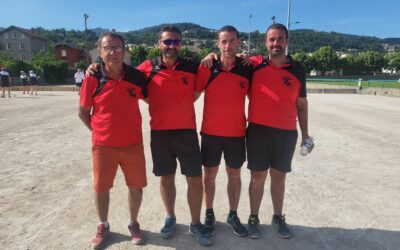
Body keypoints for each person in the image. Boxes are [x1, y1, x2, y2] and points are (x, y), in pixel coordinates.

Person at [136, 25, 211, 246]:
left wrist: (212, 53)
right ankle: (170, 217)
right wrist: (95, 66)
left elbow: (196, 93)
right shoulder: (147, 68)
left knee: (195, 179)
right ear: (159, 44)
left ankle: (195, 223)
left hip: (186, 132)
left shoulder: (192, 67)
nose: (171, 46)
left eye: (175, 41)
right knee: (166, 178)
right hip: (160, 133)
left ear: (181, 44)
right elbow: (122, 73)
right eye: (167, 42)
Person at [79, 32, 148, 249]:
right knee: (101, 188)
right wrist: (99, 131)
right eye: (107, 48)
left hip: (132, 144)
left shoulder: (136, 77)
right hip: (103, 146)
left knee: (136, 186)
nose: (113, 52)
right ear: (99, 52)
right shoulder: (92, 78)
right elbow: (83, 112)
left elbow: (155, 96)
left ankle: (133, 223)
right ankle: (103, 225)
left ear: (125, 51)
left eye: (117, 48)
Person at [245, 23, 312, 239]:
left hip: (286, 133)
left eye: (280, 39)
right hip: (258, 131)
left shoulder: (297, 69)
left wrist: (305, 135)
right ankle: (253, 218)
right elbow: (228, 56)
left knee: (279, 177)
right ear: (266, 43)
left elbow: (302, 105)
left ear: (286, 42)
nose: (276, 43)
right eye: (272, 39)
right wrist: (210, 54)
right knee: (257, 177)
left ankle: (277, 217)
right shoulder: (253, 64)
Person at [195, 25, 252, 237]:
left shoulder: (248, 67)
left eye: (232, 41)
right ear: (218, 44)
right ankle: (209, 212)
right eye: (224, 41)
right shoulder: (207, 66)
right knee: (209, 174)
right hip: (210, 132)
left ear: (238, 43)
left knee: (234, 174)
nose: (228, 46)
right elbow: (192, 95)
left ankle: (233, 214)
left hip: (236, 133)